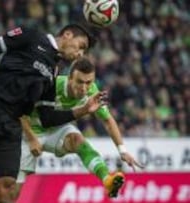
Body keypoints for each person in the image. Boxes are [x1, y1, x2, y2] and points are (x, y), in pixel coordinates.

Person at [0, 24, 107, 203]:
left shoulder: (53, 71)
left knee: (8, 188)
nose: (80, 54)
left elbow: (47, 118)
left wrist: (84, 110)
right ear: (67, 35)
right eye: (81, 46)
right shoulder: (32, 35)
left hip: (13, 122)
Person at [15, 57, 144, 199]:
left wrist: (122, 150)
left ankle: (107, 180)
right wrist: (31, 137)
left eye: (88, 82)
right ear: (70, 78)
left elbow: (108, 120)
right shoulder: (52, 84)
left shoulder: (92, 93)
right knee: (12, 192)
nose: (84, 88)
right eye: (79, 82)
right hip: (29, 133)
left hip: (56, 130)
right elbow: (20, 110)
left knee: (78, 140)